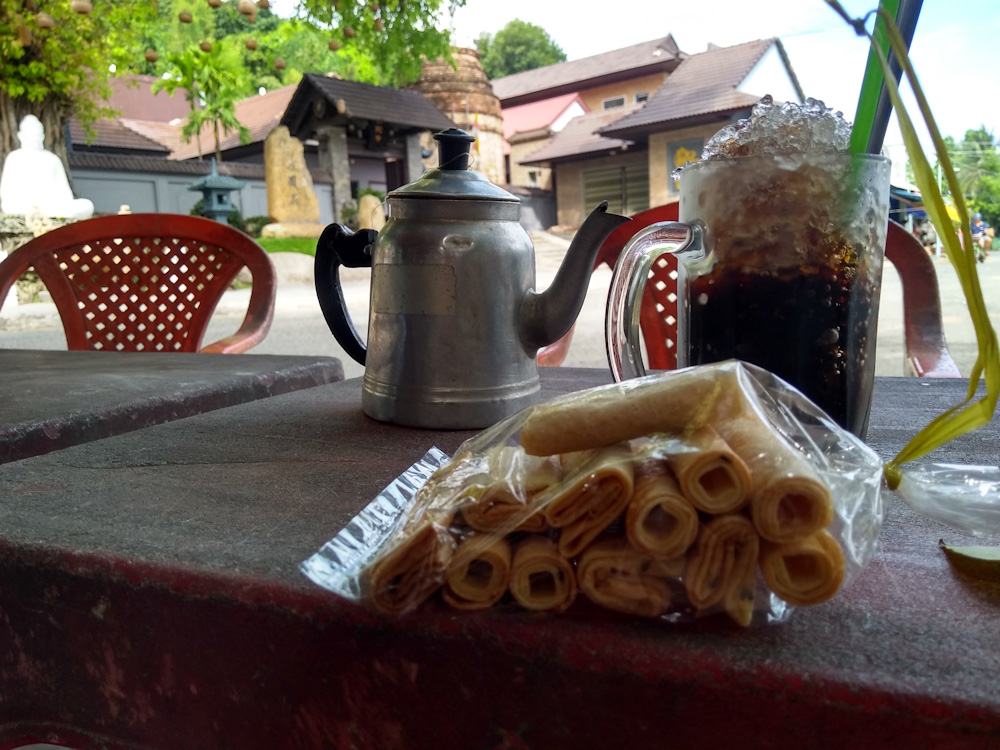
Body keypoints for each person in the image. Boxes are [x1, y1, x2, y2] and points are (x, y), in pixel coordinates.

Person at [0, 114, 94, 220]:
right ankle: (43, 214)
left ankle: (48, 214)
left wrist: (59, 204)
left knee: (87, 205)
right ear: (21, 136)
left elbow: (66, 195)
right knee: (12, 208)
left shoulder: (52, 159)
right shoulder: (15, 158)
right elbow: (6, 194)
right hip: (25, 207)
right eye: (31, 134)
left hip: (52, 207)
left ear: (43, 136)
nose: (35, 138)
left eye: (38, 134)